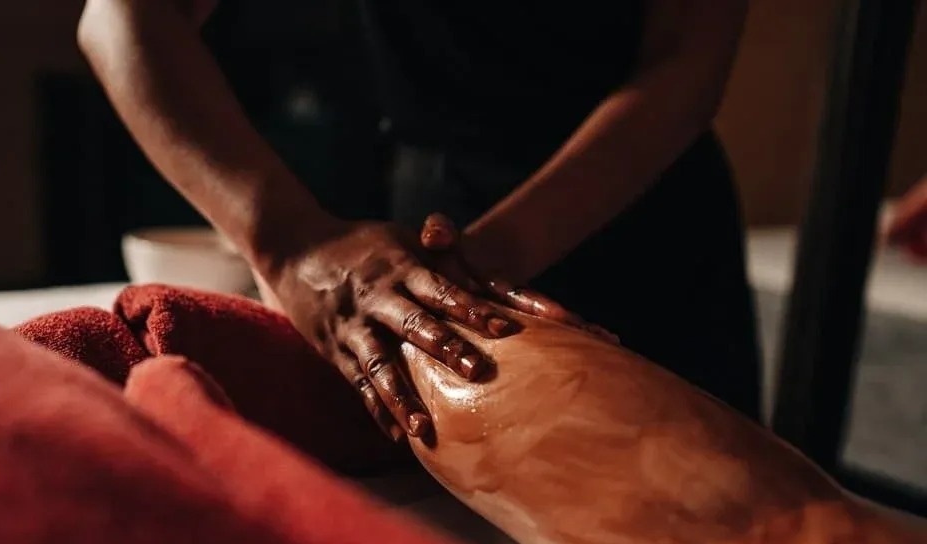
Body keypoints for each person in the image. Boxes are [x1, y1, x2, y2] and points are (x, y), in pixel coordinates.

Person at [77, 0, 760, 442]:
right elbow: (122, 18)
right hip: (431, 228)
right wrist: (289, 242)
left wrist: (494, 255)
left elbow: (684, 59)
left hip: (645, 222)